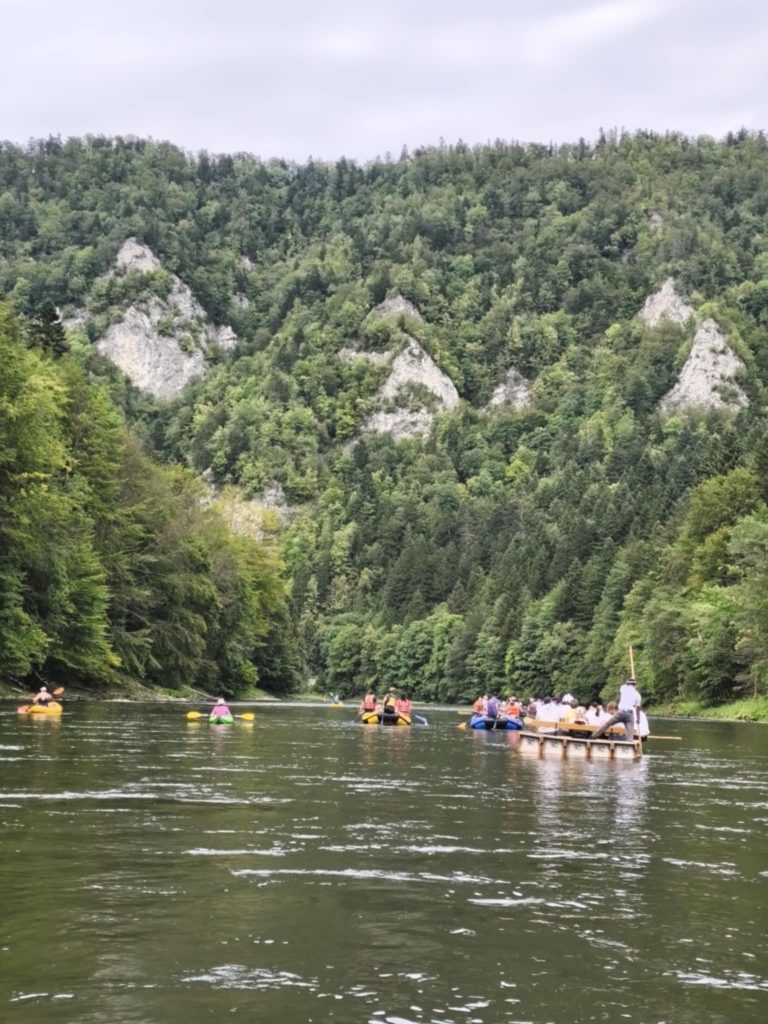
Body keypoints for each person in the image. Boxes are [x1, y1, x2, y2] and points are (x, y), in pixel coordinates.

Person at [590, 678, 641, 742]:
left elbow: (626, 684)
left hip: (621, 712)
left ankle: (593, 736)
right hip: (629, 714)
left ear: (627, 684)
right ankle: (630, 743)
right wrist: (638, 719)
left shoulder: (623, 688)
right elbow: (638, 708)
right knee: (630, 732)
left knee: (607, 724)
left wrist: (629, 682)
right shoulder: (638, 695)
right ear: (634, 685)